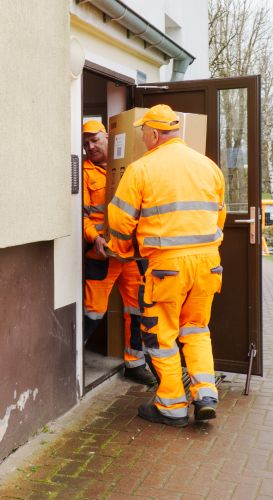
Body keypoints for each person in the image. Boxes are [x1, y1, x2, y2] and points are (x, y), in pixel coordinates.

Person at [107, 105, 226, 427]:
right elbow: (219, 216)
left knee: (162, 337)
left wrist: (118, 249)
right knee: (197, 330)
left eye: (144, 133)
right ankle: (205, 395)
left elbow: (120, 218)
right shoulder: (208, 166)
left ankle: (171, 405)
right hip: (208, 264)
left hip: (166, 267)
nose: (143, 138)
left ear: (155, 133)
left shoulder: (141, 168)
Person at [82, 120, 155, 386]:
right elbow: (82, 216)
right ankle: (73, 363)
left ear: (108, 139)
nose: (90, 147)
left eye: (95, 140)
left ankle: (135, 364)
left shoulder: (130, 168)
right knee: (93, 311)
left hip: (132, 256)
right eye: (86, 143)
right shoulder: (84, 173)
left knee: (136, 310)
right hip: (102, 255)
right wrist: (95, 238)